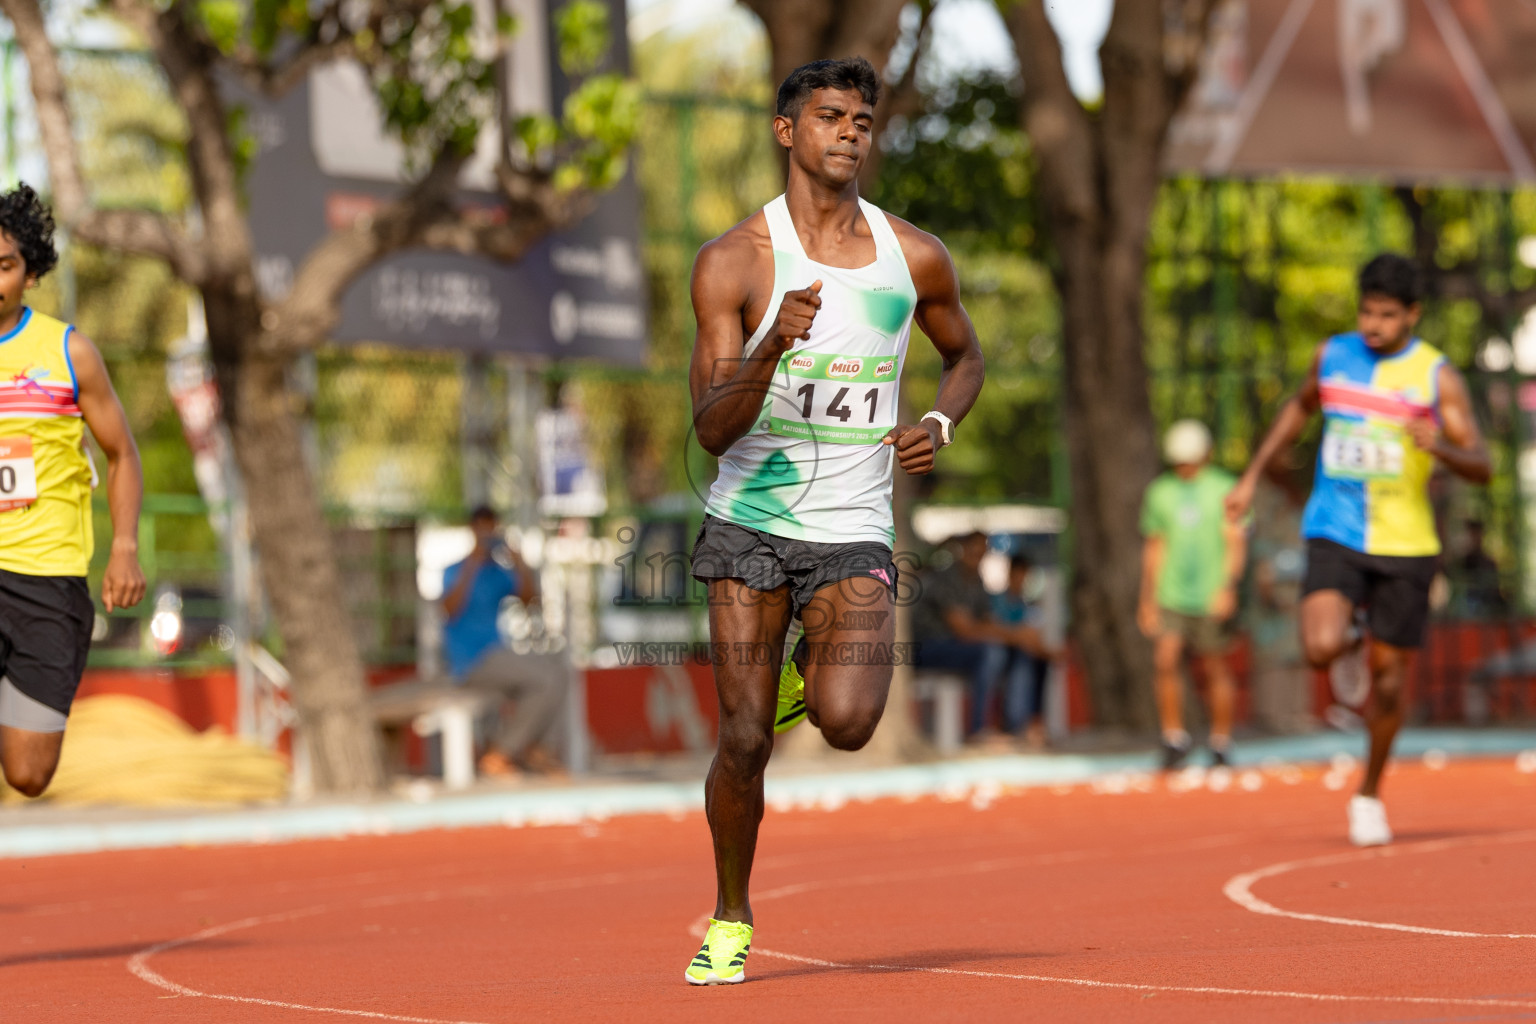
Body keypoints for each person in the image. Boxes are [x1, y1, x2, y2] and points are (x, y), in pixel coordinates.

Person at [684, 57, 986, 985]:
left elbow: (965, 355)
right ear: (788, 132)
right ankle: (731, 915)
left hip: (854, 524)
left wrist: (937, 420)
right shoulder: (737, 260)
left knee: (849, 722)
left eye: (862, 118)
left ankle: (799, 687)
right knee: (742, 744)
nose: (850, 131)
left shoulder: (914, 256)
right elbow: (710, 427)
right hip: (750, 523)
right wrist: (774, 342)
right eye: (829, 116)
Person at [1228, 253, 1490, 847]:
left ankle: (1369, 793)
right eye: (1366, 311)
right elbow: (1299, 406)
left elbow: (1483, 464)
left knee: (1392, 685)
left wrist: (1442, 447)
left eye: (1388, 315)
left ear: (1412, 315)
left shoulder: (1435, 376)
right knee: (1320, 646)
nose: (1374, 325)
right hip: (1335, 528)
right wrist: (1250, 475)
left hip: (1407, 543)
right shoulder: (1333, 355)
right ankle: (1347, 640)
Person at [0, 183, 145, 796]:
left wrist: (124, 548)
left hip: (44, 576)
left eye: (4, 265)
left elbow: (121, 454)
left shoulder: (68, 352)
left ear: (29, 274)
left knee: (29, 773)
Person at [1138, 420, 1247, 769]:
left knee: (1215, 666)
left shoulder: (1226, 488)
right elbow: (1155, 546)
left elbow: (1236, 543)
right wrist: (1147, 598)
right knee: (1165, 660)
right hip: (1171, 594)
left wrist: (1228, 588)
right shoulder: (1160, 492)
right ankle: (1174, 737)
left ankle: (1220, 741)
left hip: (1211, 593)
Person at [440, 505, 565, 776]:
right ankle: (500, 754)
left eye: (491, 529)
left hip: (499, 656)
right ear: (472, 530)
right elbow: (448, 610)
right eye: (482, 529)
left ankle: (531, 748)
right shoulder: (455, 570)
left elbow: (531, 601)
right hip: (470, 663)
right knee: (545, 679)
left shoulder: (498, 572)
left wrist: (518, 562)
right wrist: (471, 564)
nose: (487, 535)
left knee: (555, 671)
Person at [991, 553, 1052, 749]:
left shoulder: (1026, 605)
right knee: (1023, 660)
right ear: (1010, 574)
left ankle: (1033, 720)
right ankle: (1015, 724)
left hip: (1023, 650)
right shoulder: (997, 601)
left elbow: (1033, 635)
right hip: (1001, 651)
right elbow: (996, 630)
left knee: (1041, 662)